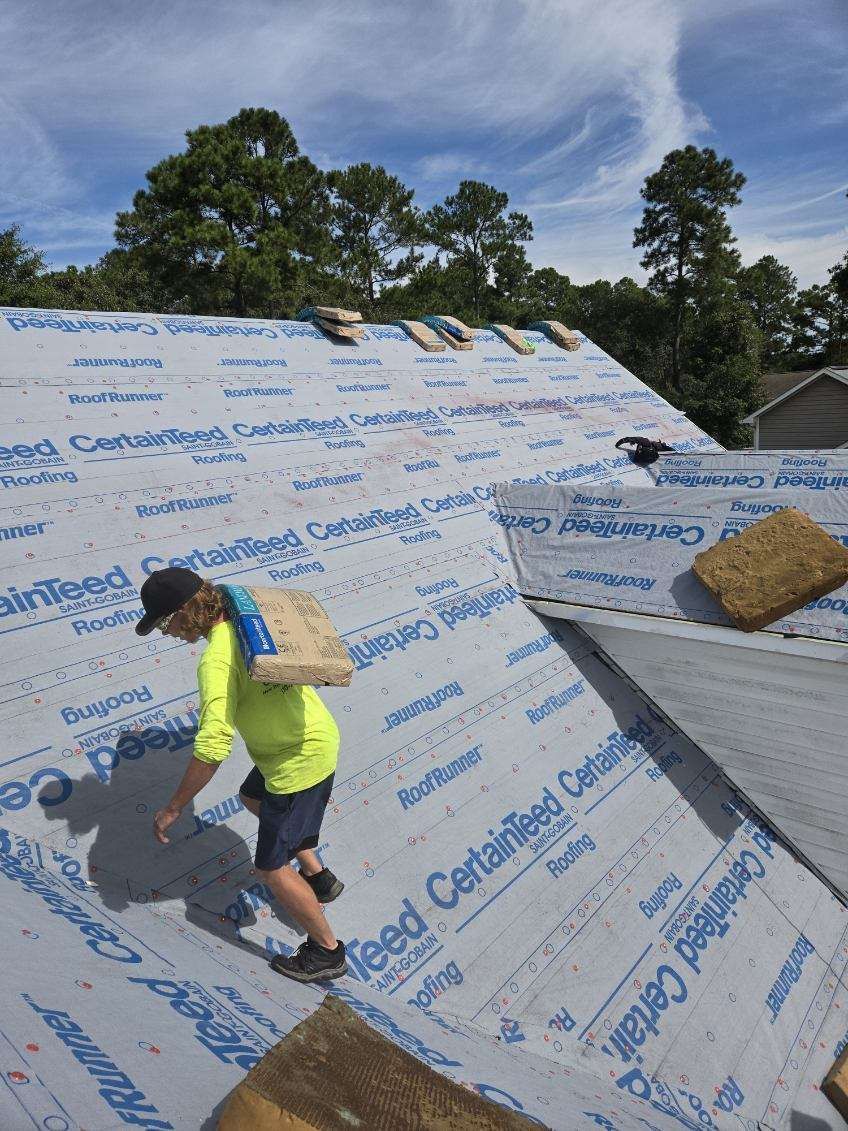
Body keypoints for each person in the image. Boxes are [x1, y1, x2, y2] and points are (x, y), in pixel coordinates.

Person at [134, 566, 347, 983]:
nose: (166, 633)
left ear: (185, 612)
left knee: (270, 870)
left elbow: (213, 745)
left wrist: (175, 808)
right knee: (252, 796)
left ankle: (327, 951)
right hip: (308, 739)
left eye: (164, 622)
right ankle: (318, 877)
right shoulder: (246, 624)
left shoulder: (216, 659)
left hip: (296, 763)